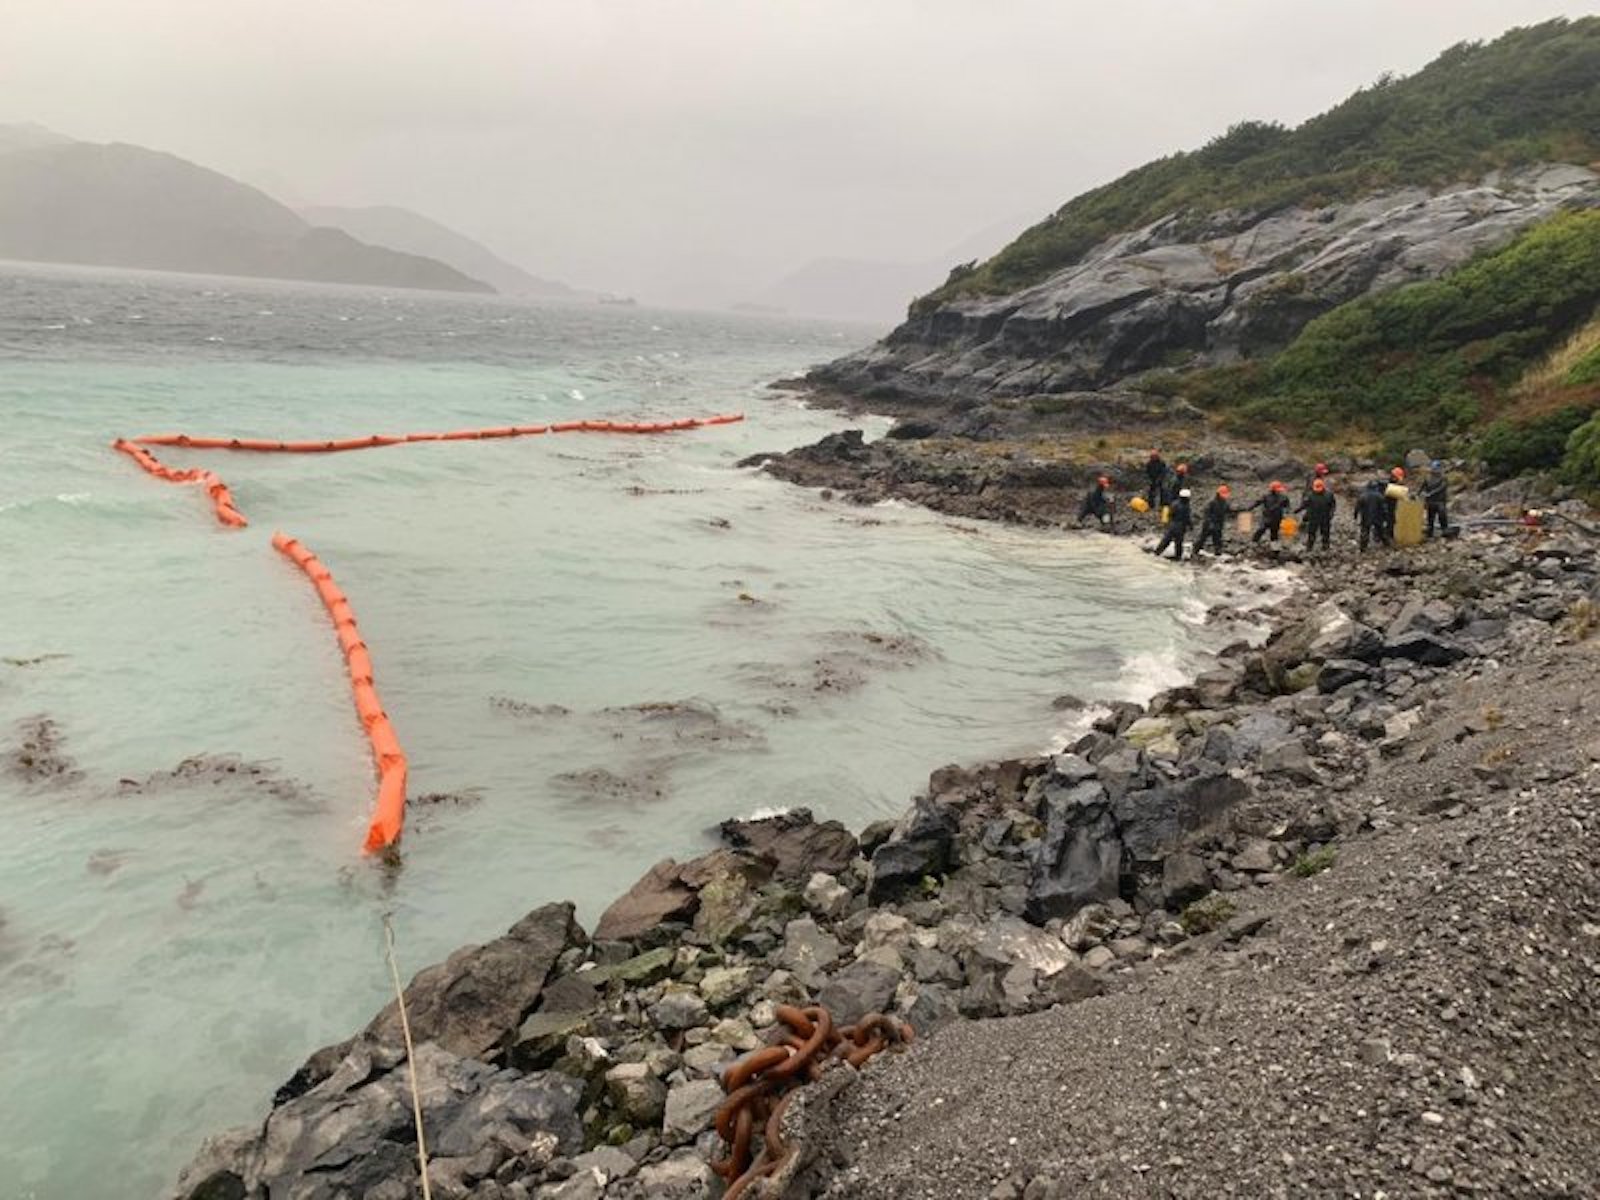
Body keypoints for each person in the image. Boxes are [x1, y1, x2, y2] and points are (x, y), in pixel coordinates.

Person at [1297, 477, 1336, 551]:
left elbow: (1333, 505)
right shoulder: (1310, 495)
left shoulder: (1329, 495)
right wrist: (1296, 510)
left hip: (1325, 517)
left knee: (1325, 533)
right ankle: (1309, 547)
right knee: (1311, 533)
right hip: (1313, 517)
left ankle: (1325, 547)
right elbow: (1304, 505)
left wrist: (1331, 514)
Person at [1152, 487, 1192, 559]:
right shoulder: (1186, 507)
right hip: (1180, 527)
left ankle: (1156, 553)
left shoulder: (1174, 503)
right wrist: (1190, 526)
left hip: (1172, 525)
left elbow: (1170, 514)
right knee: (1178, 543)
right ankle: (1178, 557)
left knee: (1166, 540)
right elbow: (1187, 518)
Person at [1195, 484, 1234, 557]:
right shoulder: (1212, 502)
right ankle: (1194, 552)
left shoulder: (1224, 503)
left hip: (1218, 524)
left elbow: (1230, 511)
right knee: (1202, 539)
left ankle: (1218, 555)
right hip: (1209, 524)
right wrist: (1209, 523)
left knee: (1218, 540)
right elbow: (1206, 514)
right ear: (1218, 494)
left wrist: (1241, 510)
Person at [1357, 480, 1390, 551]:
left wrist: (1355, 516)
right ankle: (1386, 543)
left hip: (1366, 516)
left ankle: (1363, 547)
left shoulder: (1363, 495)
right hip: (1377, 517)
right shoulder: (1379, 496)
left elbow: (1357, 507)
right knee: (1381, 531)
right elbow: (1384, 508)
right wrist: (1386, 517)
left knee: (1365, 532)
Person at [1420, 460, 1449, 538]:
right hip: (1430, 502)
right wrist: (1419, 494)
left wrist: (1430, 494)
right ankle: (1430, 532)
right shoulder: (1428, 478)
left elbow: (1441, 488)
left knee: (1442, 516)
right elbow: (1422, 487)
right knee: (1430, 518)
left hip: (1440, 501)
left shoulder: (1443, 478)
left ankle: (1445, 530)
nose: (1435, 470)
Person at [1383, 466, 1406, 541]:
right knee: (1388, 520)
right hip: (1387, 505)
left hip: (1392, 505)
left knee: (1391, 521)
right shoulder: (1389, 484)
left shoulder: (1394, 484)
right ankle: (1385, 535)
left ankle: (1389, 534)